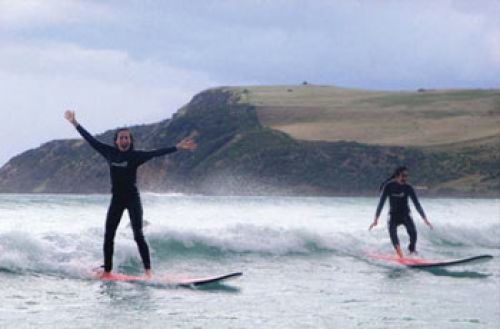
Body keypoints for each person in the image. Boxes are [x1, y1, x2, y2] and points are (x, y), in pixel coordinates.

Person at [64, 110, 197, 278]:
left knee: (138, 234)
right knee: (109, 234)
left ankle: (148, 271)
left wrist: (177, 147)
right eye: (121, 137)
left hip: (133, 198)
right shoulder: (109, 152)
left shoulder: (136, 156)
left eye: (127, 137)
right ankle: (107, 271)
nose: (124, 140)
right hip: (117, 200)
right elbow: (91, 140)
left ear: (130, 140)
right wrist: (75, 123)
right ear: (117, 140)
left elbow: (156, 152)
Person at [369, 166, 433, 258]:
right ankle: (400, 254)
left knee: (413, 234)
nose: (405, 178)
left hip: (405, 215)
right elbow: (381, 203)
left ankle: (412, 251)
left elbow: (417, 204)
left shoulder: (408, 188)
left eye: (407, 176)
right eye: (403, 176)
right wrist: (376, 219)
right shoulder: (389, 187)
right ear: (397, 176)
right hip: (393, 216)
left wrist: (425, 219)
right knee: (393, 234)